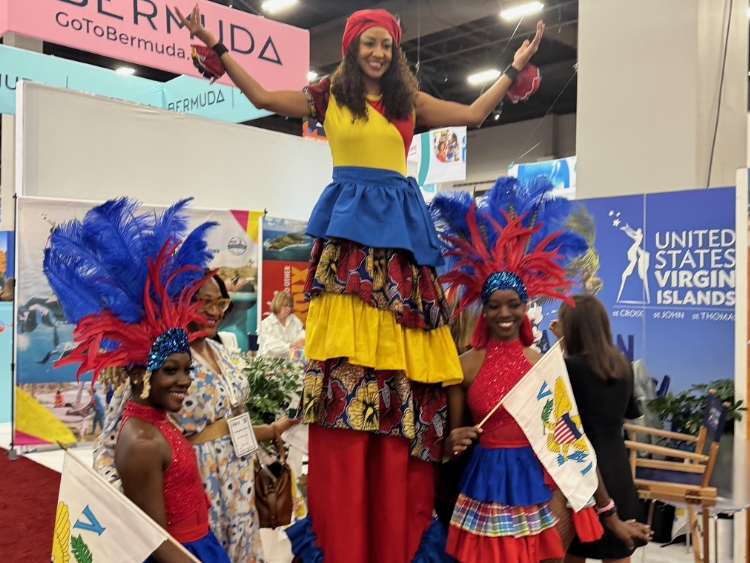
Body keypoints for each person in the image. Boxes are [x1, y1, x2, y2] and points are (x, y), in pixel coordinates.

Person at [176, 5, 545, 561]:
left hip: (399, 237)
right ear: (352, 47)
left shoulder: (407, 103)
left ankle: (401, 479)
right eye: (369, 43)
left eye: (387, 44)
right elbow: (261, 99)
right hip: (350, 235)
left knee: (406, 347)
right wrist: (217, 46)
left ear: (396, 51)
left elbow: (470, 114)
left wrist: (512, 71)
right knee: (349, 349)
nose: (378, 52)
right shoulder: (327, 97)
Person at [430, 178, 652, 563]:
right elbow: (448, 446)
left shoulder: (543, 366)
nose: (504, 314)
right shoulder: (462, 367)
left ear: (524, 306)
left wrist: (610, 515)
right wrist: (454, 440)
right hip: (484, 489)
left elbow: (572, 441)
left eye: (513, 304)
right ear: (482, 308)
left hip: (540, 488)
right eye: (494, 305)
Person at [83, 199, 296, 563]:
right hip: (194, 490)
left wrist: (276, 428)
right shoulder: (162, 358)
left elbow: (231, 425)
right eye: (204, 303)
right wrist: (133, 516)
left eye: (221, 304)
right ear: (183, 301)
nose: (215, 312)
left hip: (239, 484)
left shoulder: (223, 351)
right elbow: (111, 445)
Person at [43, 198, 232, 562]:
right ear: (139, 374)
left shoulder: (157, 423)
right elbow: (154, 542)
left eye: (187, 369)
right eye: (171, 371)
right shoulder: (143, 439)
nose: (184, 381)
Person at [556, 295, 650, 563]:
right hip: (618, 469)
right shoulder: (623, 366)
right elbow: (631, 412)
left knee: (574, 550)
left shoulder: (568, 368)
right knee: (619, 548)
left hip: (580, 470)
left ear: (571, 326)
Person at [257, 291, 305, 359]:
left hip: (291, 362)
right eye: (285, 305)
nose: (288, 308)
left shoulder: (294, 320)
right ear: (277, 305)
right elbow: (273, 347)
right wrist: (293, 345)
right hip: (269, 363)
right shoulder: (266, 324)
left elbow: (303, 337)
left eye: (290, 306)